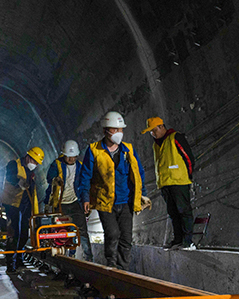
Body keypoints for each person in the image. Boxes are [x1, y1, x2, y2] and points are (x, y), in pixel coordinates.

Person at [77, 111, 151, 269]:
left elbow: (139, 173)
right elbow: (85, 177)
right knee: (112, 234)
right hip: (105, 202)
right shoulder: (94, 150)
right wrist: (85, 198)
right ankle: (111, 266)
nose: (118, 133)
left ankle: (122, 269)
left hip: (126, 201)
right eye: (115, 129)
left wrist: (142, 194)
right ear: (105, 131)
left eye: (121, 130)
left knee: (126, 237)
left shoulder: (128, 150)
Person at [141, 117, 196, 250]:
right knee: (173, 213)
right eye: (151, 132)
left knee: (184, 210)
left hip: (179, 182)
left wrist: (187, 176)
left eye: (154, 130)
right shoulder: (156, 145)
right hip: (165, 184)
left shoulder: (175, 137)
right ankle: (178, 240)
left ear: (161, 127)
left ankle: (188, 241)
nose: (153, 134)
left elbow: (188, 158)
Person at [44, 140, 92, 261]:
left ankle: (88, 258)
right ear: (64, 155)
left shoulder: (80, 166)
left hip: (75, 202)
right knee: (61, 232)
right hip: (60, 203)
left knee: (81, 230)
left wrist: (86, 201)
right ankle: (63, 257)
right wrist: (56, 180)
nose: (71, 159)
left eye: (73, 157)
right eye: (68, 157)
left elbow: (84, 186)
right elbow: (49, 178)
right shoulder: (57, 164)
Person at [2, 147, 44, 272]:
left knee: (24, 234)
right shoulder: (14, 164)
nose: (35, 164)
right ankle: (11, 264)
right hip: (12, 204)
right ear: (28, 157)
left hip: (25, 205)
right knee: (14, 233)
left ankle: (19, 260)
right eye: (34, 161)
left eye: (37, 163)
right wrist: (18, 181)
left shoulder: (31, 172)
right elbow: (10, 176)